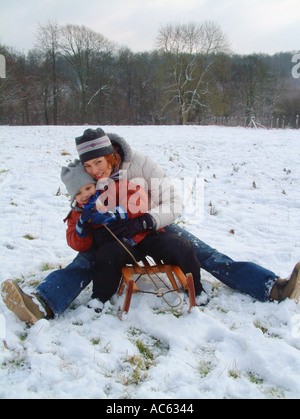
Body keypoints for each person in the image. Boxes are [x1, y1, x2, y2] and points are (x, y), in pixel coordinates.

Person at [1, 128, 299, 325]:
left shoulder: (141, 165)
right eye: (88, 166)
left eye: (98, 162)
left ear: (111, 153)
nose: (95, 170)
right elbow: (80, 204)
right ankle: (43, 304)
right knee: (86, 260)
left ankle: (270, 287)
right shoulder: (88, 179)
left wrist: (148, 220)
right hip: (112, 237)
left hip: (152, 227)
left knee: (203, 252)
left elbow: (173, 202)